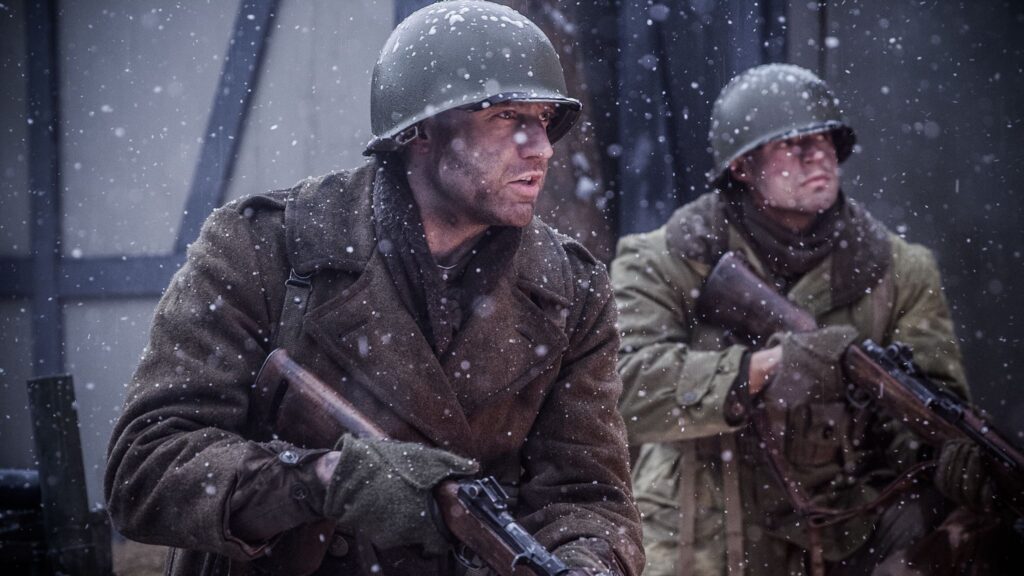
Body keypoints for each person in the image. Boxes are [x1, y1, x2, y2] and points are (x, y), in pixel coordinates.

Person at [105, 2, 643, 575]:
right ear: (420, 132)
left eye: (543, 120)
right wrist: (321, 481)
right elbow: (145, 469)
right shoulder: (265, 248)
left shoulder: (570, 290)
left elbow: (589, 499)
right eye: (507, 115)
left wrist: (585, 564)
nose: (541, 147)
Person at [611, 63, 975, 575]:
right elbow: (620, 391)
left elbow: (928, 414)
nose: (816, 154)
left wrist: (952, 462)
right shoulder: (661, 259)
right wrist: (766, 368)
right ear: (741, 167)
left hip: (838, 539)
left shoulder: (902, 272)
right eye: (790, 143)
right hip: (696, 546)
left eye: (824, 139)